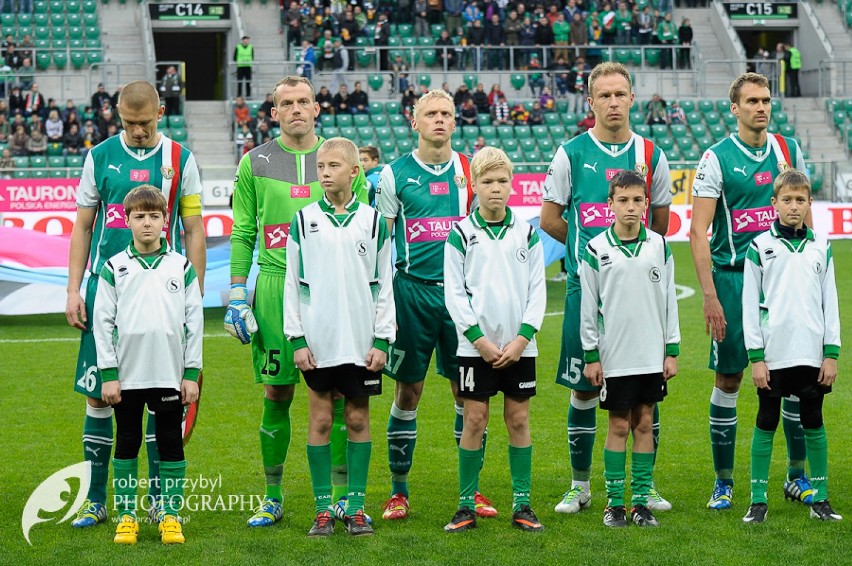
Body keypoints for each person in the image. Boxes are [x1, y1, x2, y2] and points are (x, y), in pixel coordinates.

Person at [227, 75, 369, 528]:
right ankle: (273, 495)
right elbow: (244, 230)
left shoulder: (341, 157)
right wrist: (235, 293)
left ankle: (344, 497)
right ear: (274, 112)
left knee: (344, 395)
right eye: (286, 103)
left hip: (333, 290)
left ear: (316, 108)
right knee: (277, 391)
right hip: (273, 284)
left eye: (303, 101)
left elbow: (363, 228)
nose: (295, 110)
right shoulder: (255, 162)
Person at [65, 80, 206, 529]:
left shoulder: (180, 159)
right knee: (99, 396)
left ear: (160, 113)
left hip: (161, 295)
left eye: (144, 123)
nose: (138, 131)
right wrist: (73, 289)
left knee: (160, 396)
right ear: (117, 115)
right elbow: (83, 226)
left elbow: (194, 229)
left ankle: (159, 501)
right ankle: (96, 499)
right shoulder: (99, 156)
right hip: (108, 290)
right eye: (129, 123)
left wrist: (194, 292)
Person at [539, 62, 672, 516]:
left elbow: (660, 224)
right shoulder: (570, 153)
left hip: (641, 297)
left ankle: (644, 486)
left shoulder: (652, 154)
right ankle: (580, 486)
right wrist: (589, 255)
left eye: (621, 94)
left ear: (632, 99)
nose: (613, 103)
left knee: (646, 391)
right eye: (605, 96)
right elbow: (550, 219)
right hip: (587, 290)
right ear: (591, 101)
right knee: (582, 388)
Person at [376, 89, 497, 522]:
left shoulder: (470, 170)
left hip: (459, 299)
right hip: (411, 294)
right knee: (408, 390)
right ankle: (398, 491)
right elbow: (380, 243)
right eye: (431, 114)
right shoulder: (393, 175)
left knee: (468, 393)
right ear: (415, 121)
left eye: (447, 113)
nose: (440, 120)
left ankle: (472, 490)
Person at [688, 72, 808, 511]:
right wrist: (710, 294)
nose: (762, 107)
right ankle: (723, 481)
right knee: (730, 377)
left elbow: (804, 215)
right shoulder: (715, 158)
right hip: (735, 280)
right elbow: (698, 231)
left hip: (783, 280)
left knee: (795, 373)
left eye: (767, 100)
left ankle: (797, 477)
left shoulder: (787, 150)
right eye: (752, 101)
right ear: (734, 108)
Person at [284, 137, 394, 538]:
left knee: (358, 419)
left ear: (354, 171)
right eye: (319, 167)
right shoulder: (303, 220)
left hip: (361, 342)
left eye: (332, 166)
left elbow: (385, 284)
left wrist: (382, 340)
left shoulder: (373, 221)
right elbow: (293, 284)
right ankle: (322, 510)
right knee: (321, 421)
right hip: (319, 341)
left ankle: (358, 507)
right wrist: (296, 339)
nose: (325, 173)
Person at [443, 146, 547, 534]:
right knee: (474, 419)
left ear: (512, 184)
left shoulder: (527, 233)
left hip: (521, 346)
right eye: (487, 182)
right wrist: (478, 340)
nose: (496, 189)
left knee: (518, 420)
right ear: (474, 185)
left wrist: (521, 340)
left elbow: (538, 292)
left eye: (503, 181)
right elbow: (455, 293)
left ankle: (523, 504)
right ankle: (465, 505)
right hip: (476, 348)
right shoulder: (460, 234)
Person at [93, 185, 202, 545]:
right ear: (126, 221)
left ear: (165, 221)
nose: (147, 223)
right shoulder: (114, 267)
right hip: (126, 377)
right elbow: (102, 323)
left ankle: (170, 515)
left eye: (154, 216)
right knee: (127, 442)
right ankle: (127, 516)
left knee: (170, 443)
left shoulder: (181, 266)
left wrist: (190, 373)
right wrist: (109, 375)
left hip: (169, 375)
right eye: (139, 216)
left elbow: (195, 323)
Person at [580, 170, 680, 529]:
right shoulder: (596, 249)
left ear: (646, 204)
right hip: (615, 355)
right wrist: (591, 355)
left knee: (645, 422)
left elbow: (669, 299)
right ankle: (614, 505)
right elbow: (588, 308)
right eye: (623, 200)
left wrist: (672, 350)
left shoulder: (659, 245)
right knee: (619, 425)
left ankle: (640, 504)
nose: (631, 207)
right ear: (610, 205)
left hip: (651, 353)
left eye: (638, 200)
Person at [741, 169, 841, 524]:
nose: (794, 206)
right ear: (774, 204)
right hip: (774, 354)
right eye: (787, 199)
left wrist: (831, 354)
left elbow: (831, 303)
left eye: (800, 200)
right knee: (766, 421)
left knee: (813, 421)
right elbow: (749, 306)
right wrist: (756, 358)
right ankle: (757, 500)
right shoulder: (759, 247)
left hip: (811, 354)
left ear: (810, 204)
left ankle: (821, 499)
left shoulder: (821, 247)